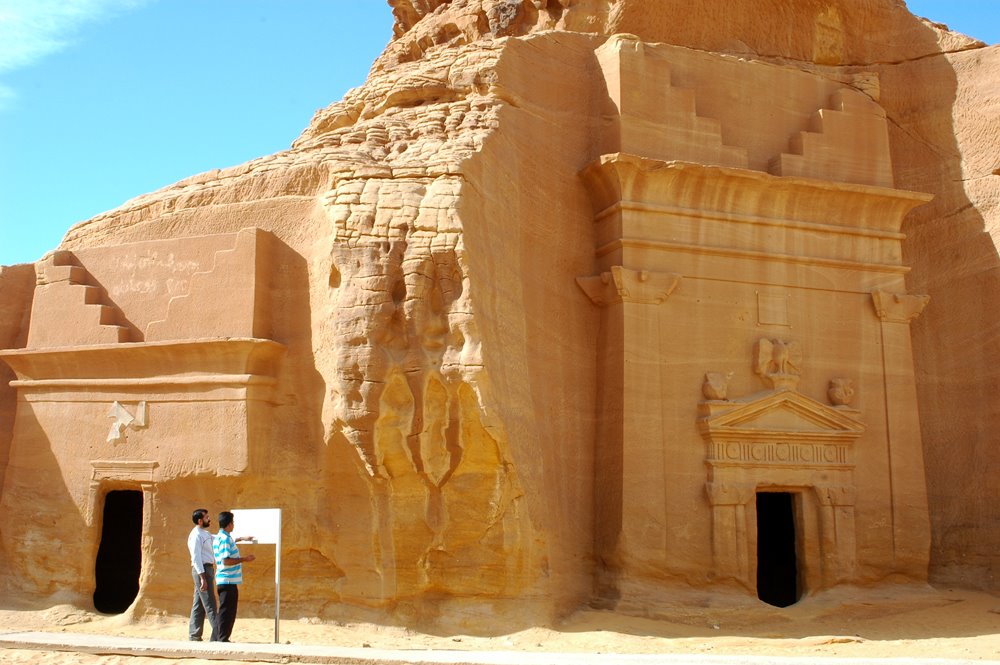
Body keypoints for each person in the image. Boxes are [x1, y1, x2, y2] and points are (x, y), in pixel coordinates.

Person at [213, 511, 255, 642]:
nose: (234, 525)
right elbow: (226, 560)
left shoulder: (220, 537)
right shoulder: (225, 539)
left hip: (224, 579)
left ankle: (217, 638)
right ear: (229, 524)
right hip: (228, 580)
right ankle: (222, 639)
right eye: (233, 523)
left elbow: (229, 542)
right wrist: (244, 559)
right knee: (228, 612)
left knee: (224, 611)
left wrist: (242, 538)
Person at [187, 508, 219, 642]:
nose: (209, 519)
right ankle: (219, 635)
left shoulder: (204, 533)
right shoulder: (195, 535)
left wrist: (239, 538)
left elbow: (218, 538)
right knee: (210, 603)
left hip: (207, 569)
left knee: (199, 604)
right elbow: (196, 558)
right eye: (207, 517)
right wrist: (202, 578)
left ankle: (194, 635)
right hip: (202, 570)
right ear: (200, 521)